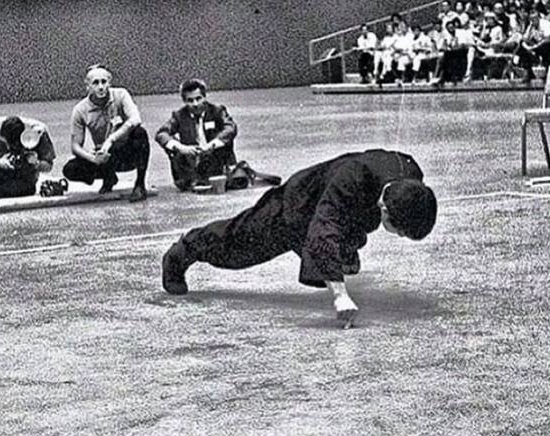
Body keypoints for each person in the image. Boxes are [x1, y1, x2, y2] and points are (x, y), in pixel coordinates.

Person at [161, 149, 437, 329]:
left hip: (348, 209)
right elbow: (324, 228)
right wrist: (340, 296)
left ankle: (331, 259)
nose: (400, 235)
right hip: (298, 204)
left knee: (340, 255)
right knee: (238, 245)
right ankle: (183, 251)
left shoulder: (410, 178)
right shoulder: (352, 178)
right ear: (385, 210)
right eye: (401, 231)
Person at [62, 64, 149, 202]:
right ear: (88, 86)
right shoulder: (80, 110)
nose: (101, 87)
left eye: (104, 82)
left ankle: (140, 185)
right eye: (95, 83)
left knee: (140, 133)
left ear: (109, 83)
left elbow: (136, 119)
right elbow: (75, 146)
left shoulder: (121, 95)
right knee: (70, 169)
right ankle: (108, 177)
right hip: (104, 158)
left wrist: (111, 140)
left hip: (125, 154)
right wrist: (93, 158)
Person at [155, 78, 237, 191]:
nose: (195, 104)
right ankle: (187, 179)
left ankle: (220, 174)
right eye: (190, 100)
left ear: (205, 97)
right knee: (172, 144)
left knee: (225, 139)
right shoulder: (179, 115)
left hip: (214, 158)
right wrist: (181, 148)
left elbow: (231, 128)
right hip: (191, 160)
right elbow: (161, 134)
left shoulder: (217, 111)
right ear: (184, 101)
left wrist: (212, 145)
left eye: (198, 98)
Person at [0, 116, 55, 200]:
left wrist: (36, 164)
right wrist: (1, 162)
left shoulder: (39, 132)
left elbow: (49, 165)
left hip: (20, 178)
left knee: (25, 187)